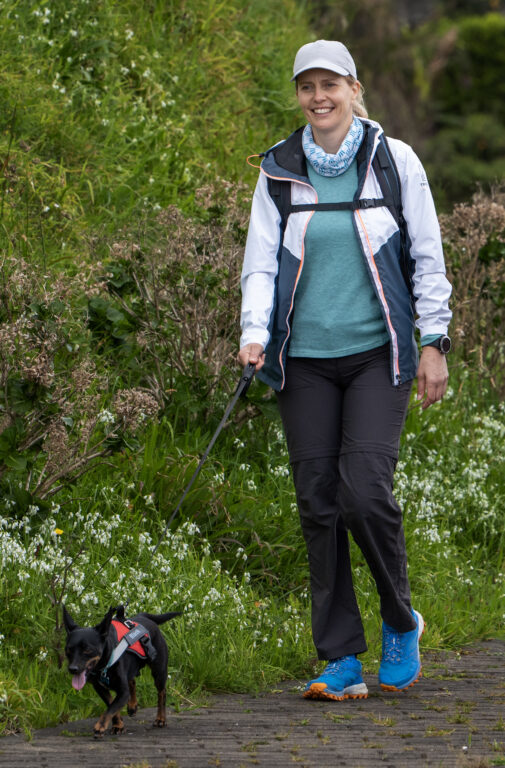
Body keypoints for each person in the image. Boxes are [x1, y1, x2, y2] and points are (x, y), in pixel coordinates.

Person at [238, 40, 452, 701]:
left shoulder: (393, 161)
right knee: (317, 505)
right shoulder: (279, 169)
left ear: (353, 88)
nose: (317, 97)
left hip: (377, 355)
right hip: (302, 362)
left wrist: (434, 341)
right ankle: (339, 661)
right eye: (306, 86)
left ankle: (398, 619)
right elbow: (261, 263)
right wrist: (252, 334)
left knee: (362, 492)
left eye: (328, 83)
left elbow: (426, 251)